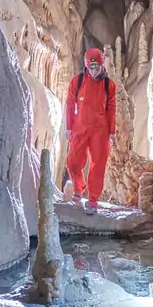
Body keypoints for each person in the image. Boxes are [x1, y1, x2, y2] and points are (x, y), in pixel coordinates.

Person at [65, 47, 116, 210]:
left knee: (98, 163)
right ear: (86, 66)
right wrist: (69, 126)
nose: (94, 71)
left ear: (102, 66)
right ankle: (79, 187)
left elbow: (111, 108)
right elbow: (69, 104)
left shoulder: (109, 85)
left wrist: (112, 132)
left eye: (97, 67)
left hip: (100, 130)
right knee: (72, 162)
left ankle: (93, 199)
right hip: (80, 127)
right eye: (91, 67)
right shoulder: (77, 81)